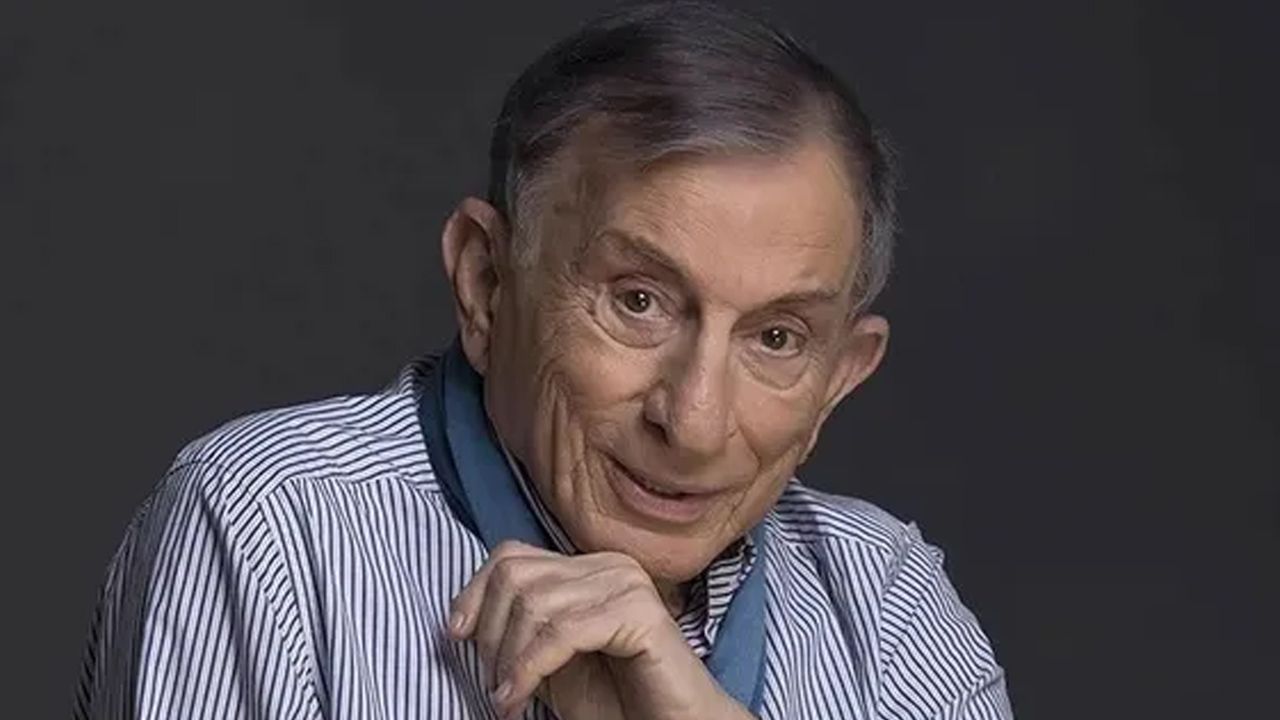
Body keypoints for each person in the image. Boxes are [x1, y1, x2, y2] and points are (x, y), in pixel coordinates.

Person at [75, 2, 1013, 718]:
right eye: (638, 301)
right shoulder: (271, 528)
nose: (693, 422)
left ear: (839, 377)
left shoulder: (887, 603)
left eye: (776, 338)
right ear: (487, 284)